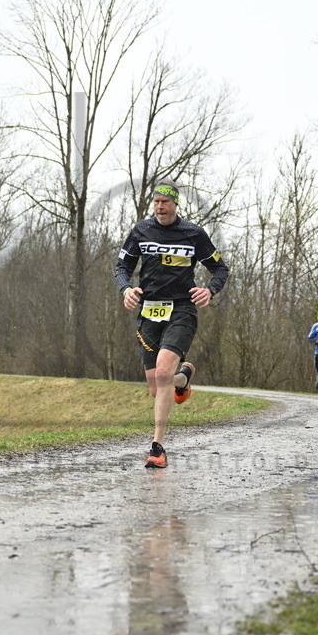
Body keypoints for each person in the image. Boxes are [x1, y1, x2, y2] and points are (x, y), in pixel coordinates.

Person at [115, 179, 229, 468]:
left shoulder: (193, 233)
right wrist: (126, 289)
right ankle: (184, 378)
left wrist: (210, 290)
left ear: (175, 204)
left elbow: (219, 268)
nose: (159, 206)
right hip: (149, 312)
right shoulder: (141, 231)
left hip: (182, 310)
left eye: (165, 202)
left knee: (164, 372)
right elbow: (122, 267)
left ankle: (157, 448)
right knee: (158, 387)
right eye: (156, 202)